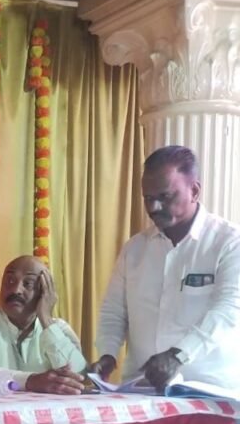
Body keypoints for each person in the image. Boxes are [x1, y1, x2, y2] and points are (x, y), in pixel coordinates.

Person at [92, 146, 240, 392]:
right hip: (142, 389)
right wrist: (108, 354)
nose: (154, 207)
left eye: (165, 196)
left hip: (209, 391)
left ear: (194, 191)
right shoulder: (135, 249)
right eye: (147, 198)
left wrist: (178, 355)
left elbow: (229, 310)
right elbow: (113, 311)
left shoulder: (229, 242)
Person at [0, 255, 87, 394]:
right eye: (10, 281)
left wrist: (46, 318)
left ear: (45, 291)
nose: (16, 290)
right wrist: (31, 381)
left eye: (28, 284)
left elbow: (78, 375)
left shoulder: (59, 329)